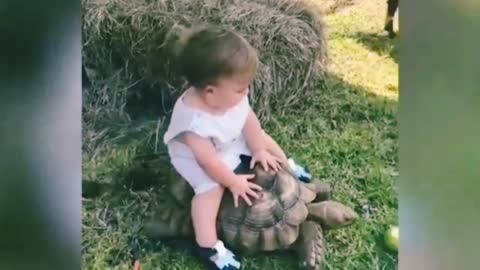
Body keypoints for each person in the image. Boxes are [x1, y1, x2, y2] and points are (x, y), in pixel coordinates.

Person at [163, 26, 311, 270]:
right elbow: (209, 162)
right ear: (210, 92)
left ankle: (288, 164)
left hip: (227, 139)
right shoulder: (193, 123)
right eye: (241, 89)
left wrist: (260, 150)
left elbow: (249, 120)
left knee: (263, 139)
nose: (247, 92)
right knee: (210, 191)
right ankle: (208, 246)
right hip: (198, 157)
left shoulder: (230, 95)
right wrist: (232, 181)